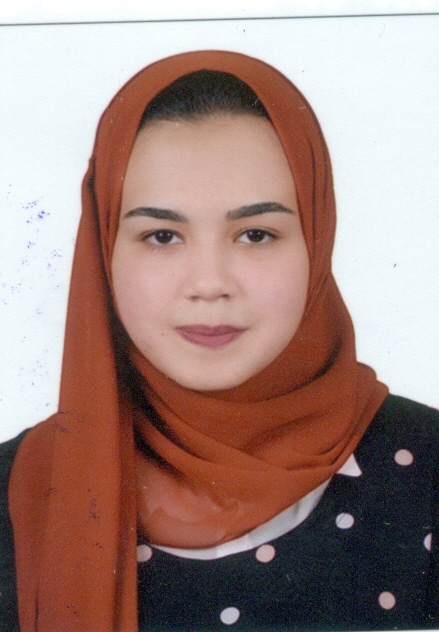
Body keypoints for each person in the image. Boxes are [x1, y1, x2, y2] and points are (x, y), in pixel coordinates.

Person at [1, 50, 438, 632]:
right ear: (105, 249)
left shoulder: (428, 472)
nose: (209, 284)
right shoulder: (16, 496)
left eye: (256, 234)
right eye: (162, 236)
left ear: (317, 238)